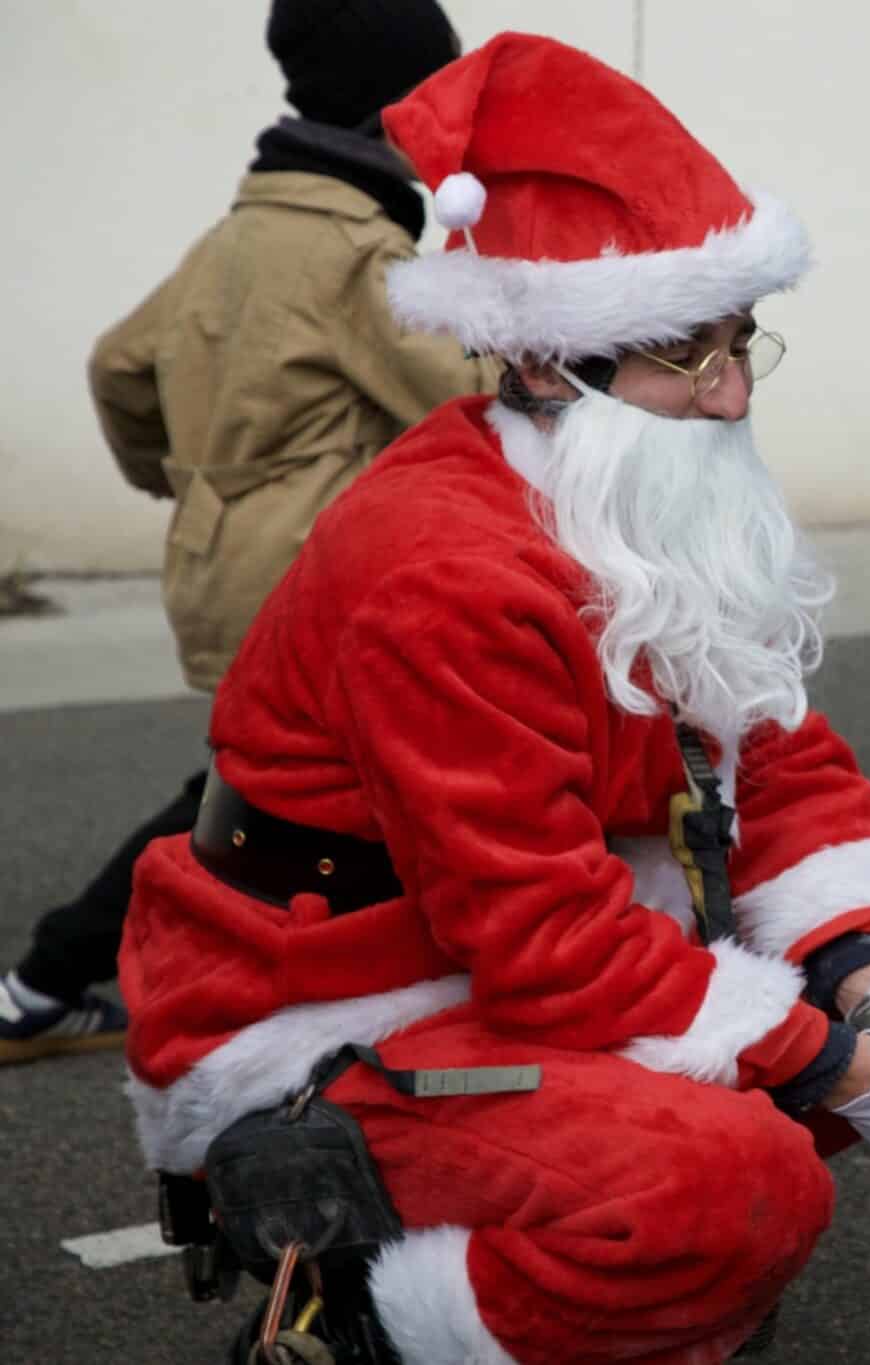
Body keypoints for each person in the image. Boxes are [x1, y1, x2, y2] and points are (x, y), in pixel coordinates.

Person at [119, 34, 870, 1364]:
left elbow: (776, 759)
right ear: (549, 363)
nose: (731, 396)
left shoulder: (615, 494)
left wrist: (869, 976)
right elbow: (541, 940)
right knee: (732, 1186)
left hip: (506, 939)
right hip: (336, 993)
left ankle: (617, 1251)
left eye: (740, 345)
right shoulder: (443, 572)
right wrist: (842, 1066)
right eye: (687, 356)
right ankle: (361, 1316)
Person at [1, 0, 497, 1065]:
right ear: (394, 107)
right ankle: (50, 979)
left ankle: (335, 993)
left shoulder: (238, 236)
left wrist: (191, 484)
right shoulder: (357, 256)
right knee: (255, 799)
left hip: (225, 562)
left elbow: (117, 365)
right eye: (437, 93)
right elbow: (479, 397)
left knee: (297, 794)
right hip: (310, 583)